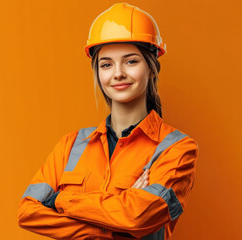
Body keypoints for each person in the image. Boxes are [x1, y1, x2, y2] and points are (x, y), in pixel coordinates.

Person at [17, 2, 198, 240]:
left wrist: (60, 200)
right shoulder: (70, 146)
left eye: (131, 61)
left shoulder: (178, 149)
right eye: (106, 64)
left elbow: (137, 217)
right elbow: (28, 212)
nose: (118, 73)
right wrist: (112, 223)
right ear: (98, 73)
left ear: (152, 68)